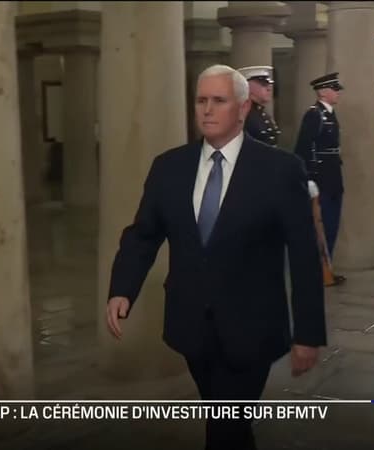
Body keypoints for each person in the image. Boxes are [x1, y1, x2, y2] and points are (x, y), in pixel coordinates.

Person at [105, 64, 326, 450]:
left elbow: (305, 256)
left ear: (242, 109)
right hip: (191, 325)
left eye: (218, 101)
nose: (207, 109)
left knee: (225, 425)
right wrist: (123, 288)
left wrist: (307, 334)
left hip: (253, 328)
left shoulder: (280, 170)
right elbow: (143, 235)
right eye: (201, 100)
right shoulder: (169, 167)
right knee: (224, 419)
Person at [294, 72, 345, 285]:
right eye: (334, 89)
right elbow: (303, 147)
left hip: (333, 177)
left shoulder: (330, 114)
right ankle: (319, 271)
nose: (337, 93)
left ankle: (327, 267)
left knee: (332, 224)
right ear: (323, 92)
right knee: (321, 226)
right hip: (321, 178)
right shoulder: (314, 114)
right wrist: (309, 178)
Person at [237, 65, 280, 146]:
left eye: (268, 84)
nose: (269, 88)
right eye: (263, 84)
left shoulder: (262, 114)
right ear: (247, 86)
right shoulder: (243, 114)